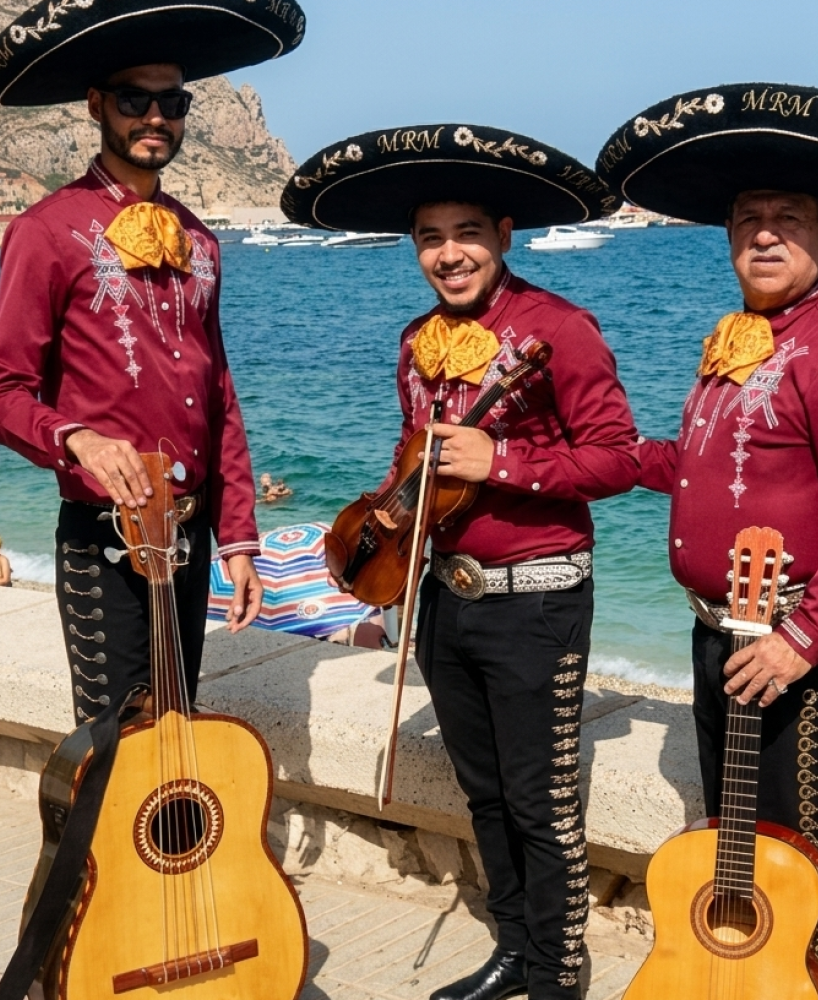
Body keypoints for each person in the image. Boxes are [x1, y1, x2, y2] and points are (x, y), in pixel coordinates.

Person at [597, 82, 818, 1000]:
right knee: (736, 834)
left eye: (787, 219)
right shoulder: (737, 339)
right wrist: (591, 458)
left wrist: (803, 638)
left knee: (806, 845)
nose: (763, 235)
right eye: (747, 219)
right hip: (715, 629)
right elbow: (703, 461)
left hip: (795, 644)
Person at [285, 124, 640, 1000]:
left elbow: (618, 459)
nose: (449, 255)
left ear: (504, 235)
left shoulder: (561, 328)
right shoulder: (416, 340)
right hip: (445, 596)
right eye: (430, 238)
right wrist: (370, 536)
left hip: (537, 601)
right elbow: (414, 455)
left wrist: (502, 462)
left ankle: (559, 971)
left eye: (467, 234)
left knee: (540, 800)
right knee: (481, 790)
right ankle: (515, 949)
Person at [0, 0, 306, 723]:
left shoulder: (201, 241)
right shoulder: (45, 232)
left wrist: (238, 538)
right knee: (114, 749)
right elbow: (0, 394)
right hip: (103, 539)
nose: (155, 117)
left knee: (178, 729)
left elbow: (218, 399)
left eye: (172, 102)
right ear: (96, 106)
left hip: (189, 540)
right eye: (133, 100)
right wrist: (79, 440)